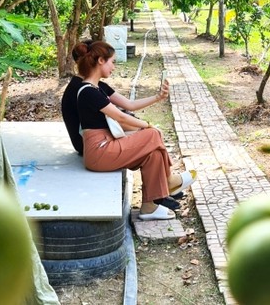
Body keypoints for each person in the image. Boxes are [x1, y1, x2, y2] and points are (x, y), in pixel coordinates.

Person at [63, 40, 196, 220]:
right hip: (99, 151)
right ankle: (168, 180)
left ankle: (149, 207)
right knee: (153, 134)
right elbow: (121, 117)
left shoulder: (96, 88)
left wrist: (158, 97)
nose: (114, 67)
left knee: (154, 154)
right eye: (113, 62)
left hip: (107, 144)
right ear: (100, 60)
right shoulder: (87, 91)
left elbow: (127, 108)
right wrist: (147, 125)